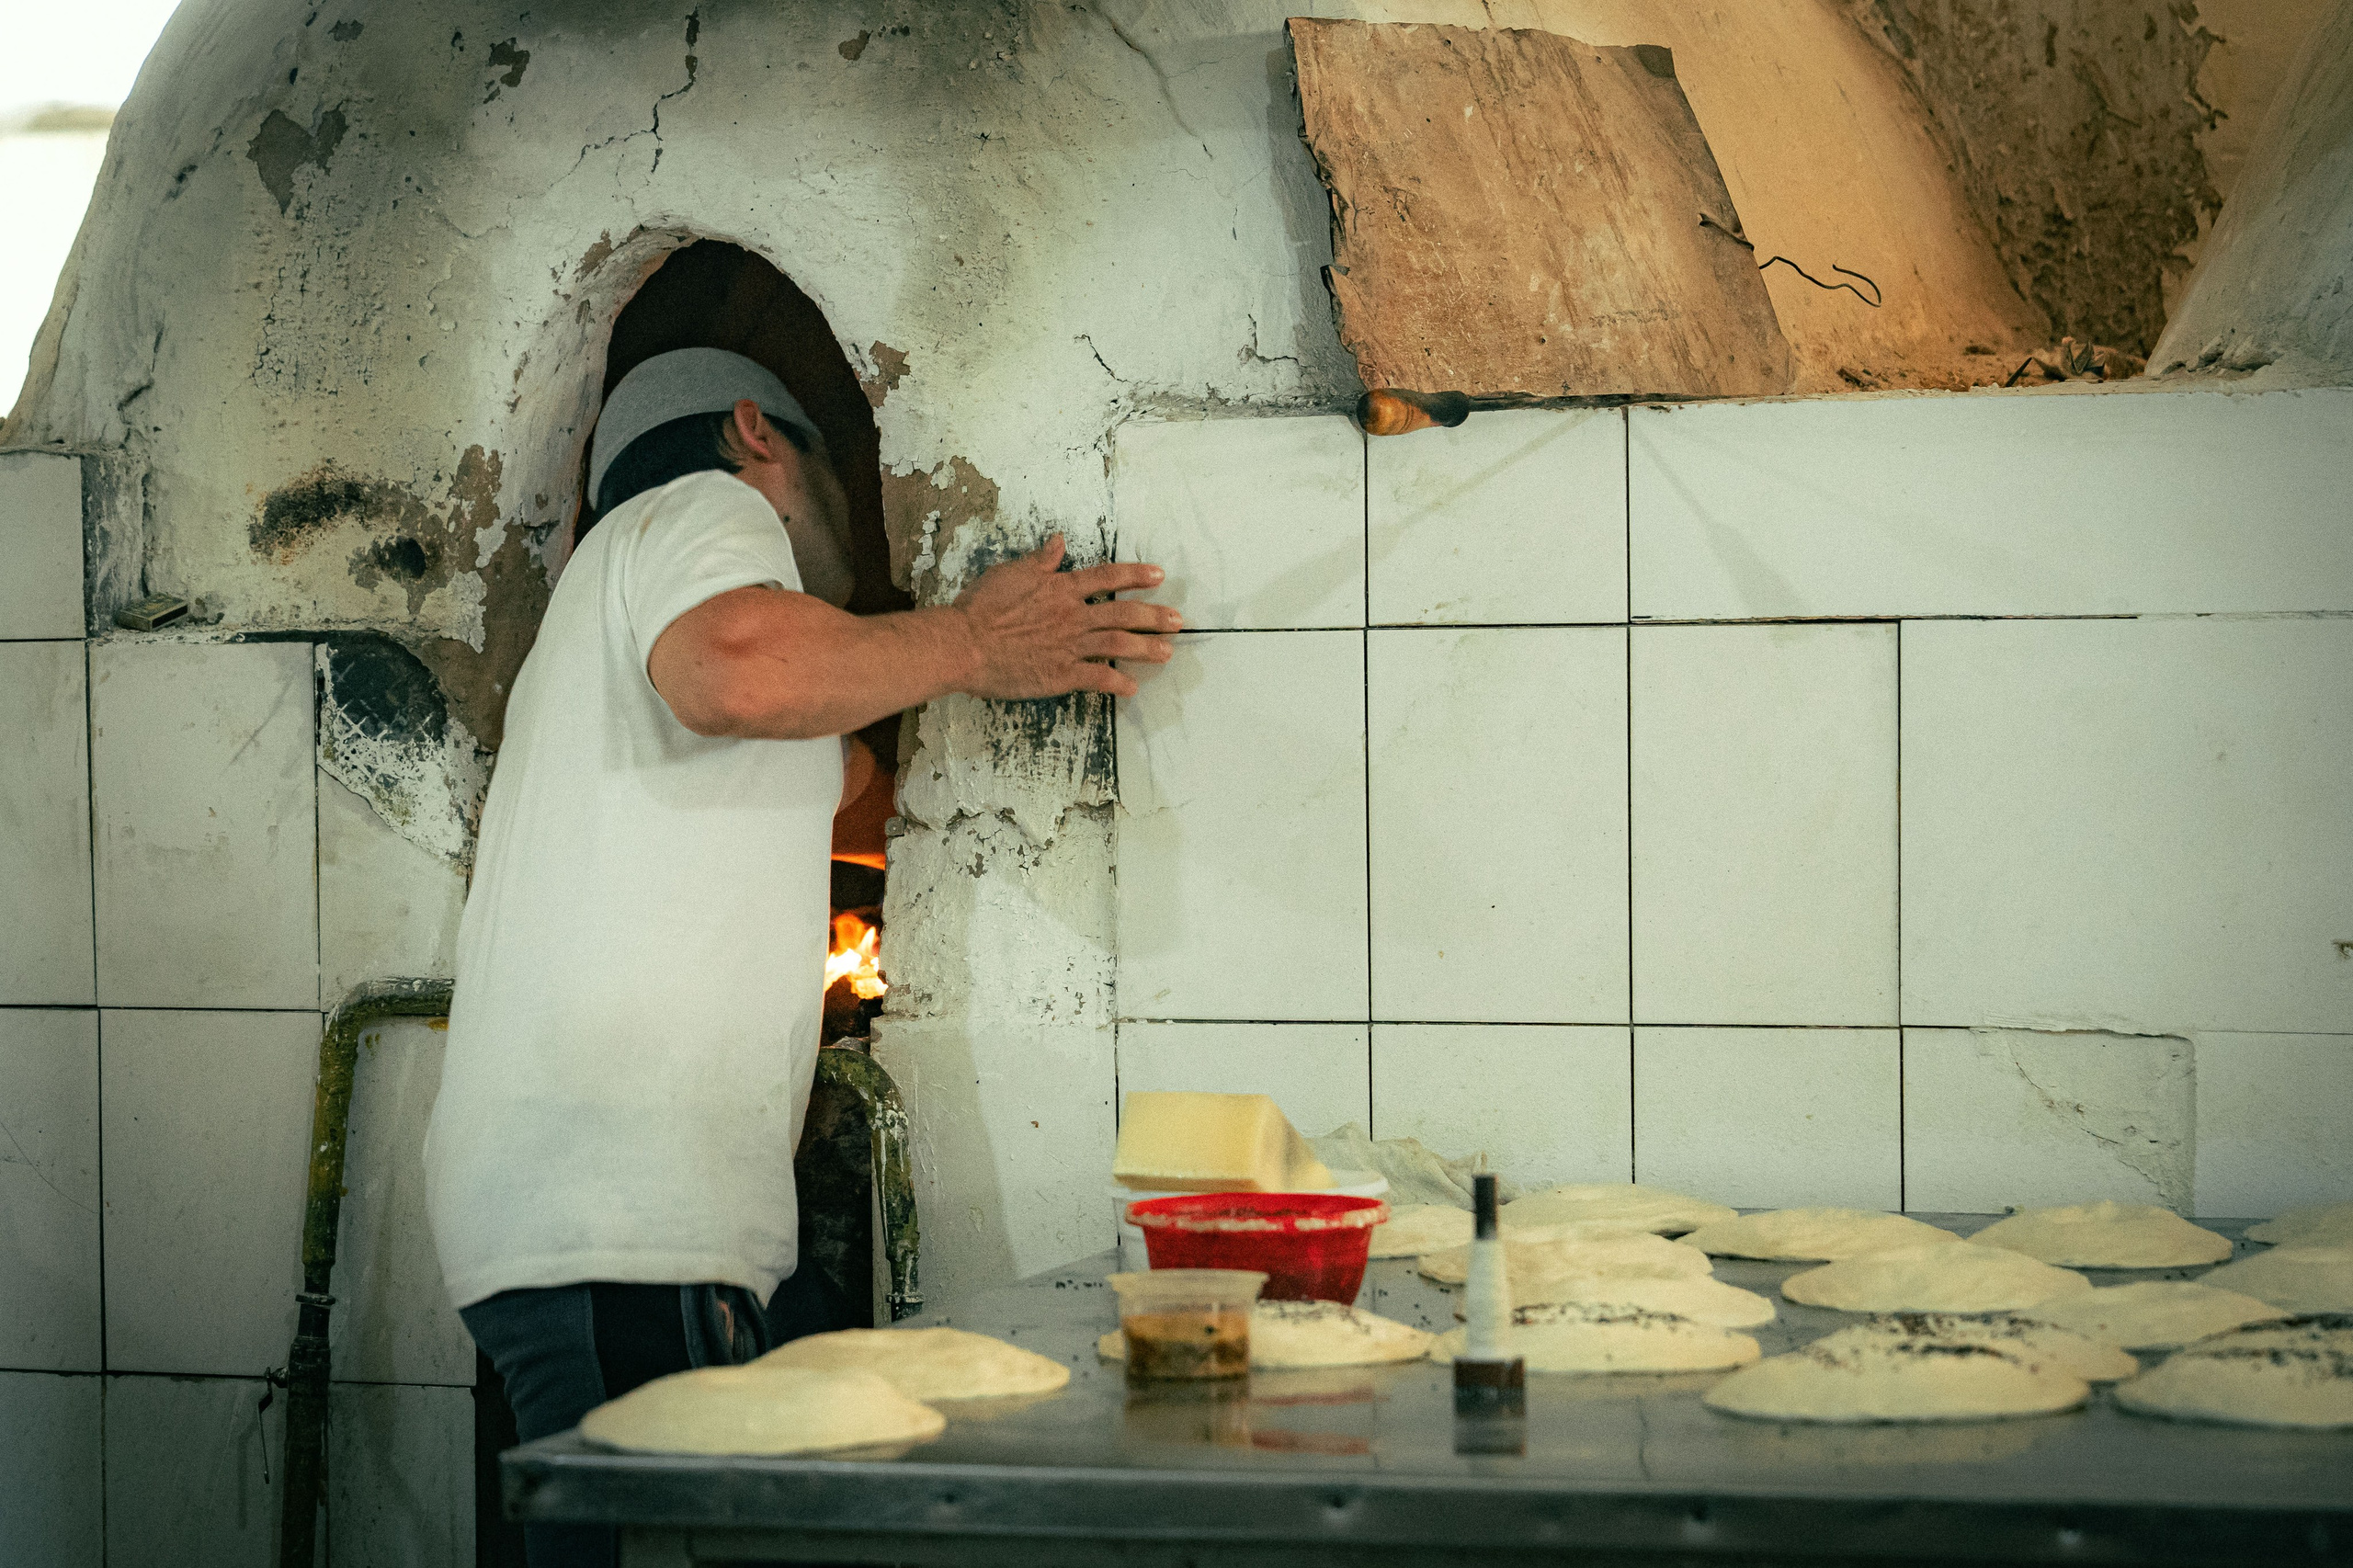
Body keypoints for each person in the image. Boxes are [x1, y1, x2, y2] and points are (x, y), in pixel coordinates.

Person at [423, 347, 1177, 1568]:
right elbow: (736, 666)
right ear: (756, 436)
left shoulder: (612, 628)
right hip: (624, 1224)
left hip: (612, 1222)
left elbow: (836, 769)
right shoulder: (698, 511)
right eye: (834, 459)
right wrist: (976, 643)